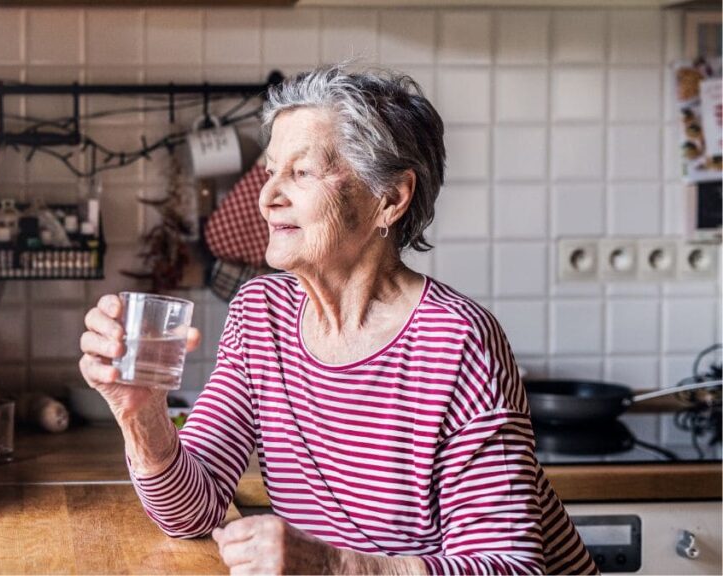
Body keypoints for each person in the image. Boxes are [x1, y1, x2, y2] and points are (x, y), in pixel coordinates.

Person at [79, 65, 597, 575]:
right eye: (270, 172)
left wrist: (335, 567)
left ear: (389, 199)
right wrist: (141, 413)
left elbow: (510, 567)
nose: (267, 198)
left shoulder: (457, 341)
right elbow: (194, 512)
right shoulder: (261, 314)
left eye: (301, 172)